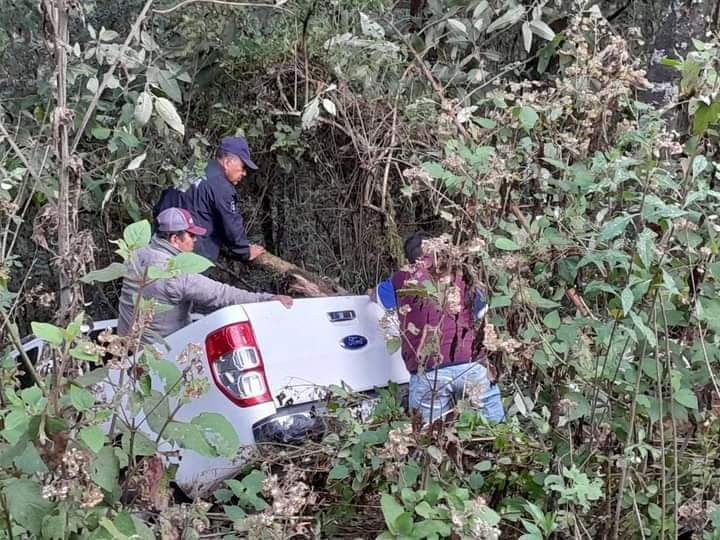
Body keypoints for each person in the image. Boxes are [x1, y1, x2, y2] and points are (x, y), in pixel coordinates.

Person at [369, 232, 504, 424]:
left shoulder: (401, 279)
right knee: (497, 434)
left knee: (428, 441)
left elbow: (378, 298)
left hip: (428, 373)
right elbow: (482, 310)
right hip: (471, 365)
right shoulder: (461, 274)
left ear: (409, 259)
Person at [118, 207, 292, 344]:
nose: (195, 240)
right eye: (191, 235)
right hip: (161, 355)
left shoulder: (136, 252)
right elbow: (222, 295)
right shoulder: (176, 275)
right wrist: (267, 299)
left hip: (127, 348)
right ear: (174, 239)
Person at [153, 136, 265, 263]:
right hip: (191, 254)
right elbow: (231, 225)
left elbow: (160, 206)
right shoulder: (222, 186)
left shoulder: (193, 169)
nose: (244, 173)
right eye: (243, 167)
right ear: (228, 162)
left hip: (161, 244)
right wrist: (245, 251)